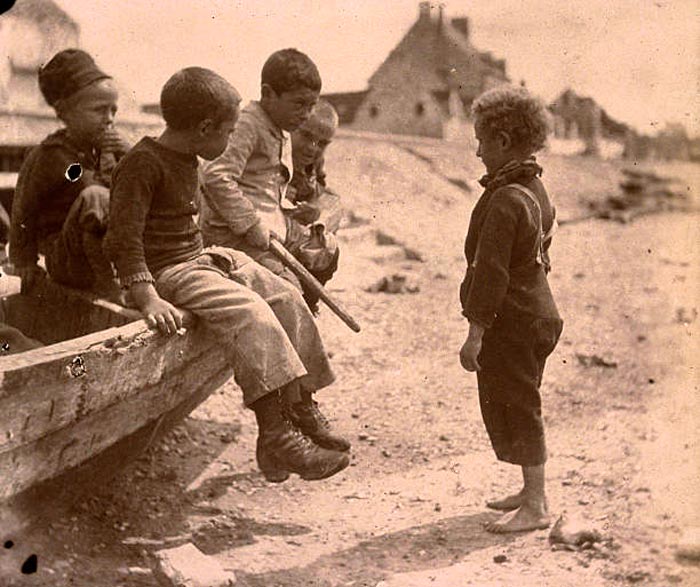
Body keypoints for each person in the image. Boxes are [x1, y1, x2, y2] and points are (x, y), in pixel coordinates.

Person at [103, 67, 350, 484]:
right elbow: (122, 239)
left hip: (201, 257)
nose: (230, 139)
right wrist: (147, 298)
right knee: (251, 313)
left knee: (286, 295)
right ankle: (275, 431)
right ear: (203, 128)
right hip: (169, 271)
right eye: (228, 131)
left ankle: (300, 404)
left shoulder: (188, 158)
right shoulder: (142, 163)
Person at [459, 86, 563, 533]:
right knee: (520, 398)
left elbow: (491, 275)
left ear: (502, 141)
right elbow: (542, 249)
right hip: (537, 312)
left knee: (519, 404)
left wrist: (475, 335)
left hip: (513, 320)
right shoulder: (535, 189)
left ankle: (537, 504)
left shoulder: (505, 199)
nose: (477, 150)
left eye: (482, 140)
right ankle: (528, 490)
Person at [198, 49, 339, 302]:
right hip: (236, 234)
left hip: (272, 227)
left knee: (325, 251)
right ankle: (288, 324)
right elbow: (216, 177)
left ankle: (305, 310)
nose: (306, 114)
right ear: (268, 94)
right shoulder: (248, 125)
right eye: (299, 104)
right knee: (288, 289)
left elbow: (267, 184)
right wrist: (251, 224)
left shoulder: (281, 127)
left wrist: (291, 207)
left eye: (311, 106)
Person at [9, 49, 131, 302]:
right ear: (65, 112)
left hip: (113, 253)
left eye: (113, 111)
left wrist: (129, 155)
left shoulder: (109, 151)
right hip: (69, 258)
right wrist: (23, 262)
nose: (109, 120)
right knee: (96, 197)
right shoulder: (50, 156)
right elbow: (24, 209)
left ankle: (128, 280)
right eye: (99, 110)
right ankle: (110, 287)